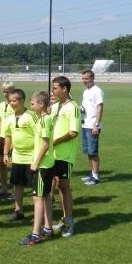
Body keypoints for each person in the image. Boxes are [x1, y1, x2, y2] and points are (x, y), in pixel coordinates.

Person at [19, 91, 55, 246]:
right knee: (46, 195)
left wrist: (35, 163)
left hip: (43, 165)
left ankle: (36, 234)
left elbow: (46, 144)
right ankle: (47, 228)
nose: (31, 106)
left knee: (38, 197)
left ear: (41, 104)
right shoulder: (45, 118)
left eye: (33, 103)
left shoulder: (43, 121)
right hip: (47, 164)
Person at [2, 88, 38, 221]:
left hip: (31, 157)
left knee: (35, 187)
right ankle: (18, 211)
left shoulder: (32, 116)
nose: (12, 103)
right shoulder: (9, 118)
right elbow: (7, 136)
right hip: (17, 157)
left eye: (15, 100)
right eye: (10, 101)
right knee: (17, 185)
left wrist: (37, 155)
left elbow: (38, 135)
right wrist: (6, 153)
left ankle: (37, 213)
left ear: (22, 100)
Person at [50, 76, 80, 238]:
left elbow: (73, 132)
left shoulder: (73, 107)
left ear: (65, 89)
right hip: (52, 154)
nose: (53, 91)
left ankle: (69, 221)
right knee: (57, 186)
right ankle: (63, 218)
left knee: (64, 186)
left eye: (55, 88)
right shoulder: (55, 106)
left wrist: (56, 141)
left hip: (65, 155)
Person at [80, 70, 104, 185]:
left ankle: (96, 177)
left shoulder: (97, 91)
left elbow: (100, 108)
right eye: (83, 79)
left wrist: (96, 125)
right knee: (89, 151)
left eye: (86, 79)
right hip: (85, 124)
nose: (84, 81)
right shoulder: (86, 92)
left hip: (92, 126)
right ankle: (92, 173)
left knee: (93, 152)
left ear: (92, 78)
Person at [0, 81, 15, 200]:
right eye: (3, 91)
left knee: (12, 164)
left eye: (7, 91)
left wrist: (13, 141)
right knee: (2, 163)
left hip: (12, 137)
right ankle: (4, 188)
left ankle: (14, 190)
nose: (5, 93)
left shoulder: (14, 105)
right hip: (2, 136)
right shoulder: (2, 105)